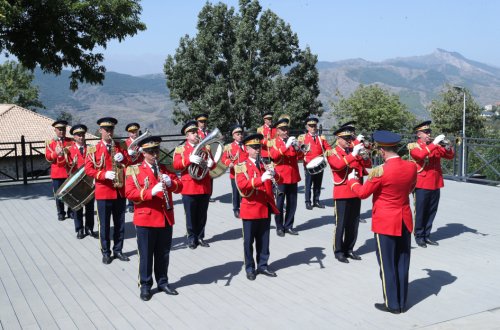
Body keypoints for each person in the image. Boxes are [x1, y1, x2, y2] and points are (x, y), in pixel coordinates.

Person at [347, 130, 417, 314]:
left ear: (383, 151)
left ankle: (392, 304)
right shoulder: (411, 167)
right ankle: (402, 301)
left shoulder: (380, 171)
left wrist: (352, 182)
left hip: (386, 222)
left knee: (387, 265)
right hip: (404, 219)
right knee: (402, 262)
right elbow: (411, 188)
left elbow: (362, 193)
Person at [125, 136, 183, 301]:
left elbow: (180, 186)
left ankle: (163, 282)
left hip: (165, 217)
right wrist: (150, 192)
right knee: (146, 254)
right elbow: (129, 193)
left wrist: (171, 182)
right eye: (151, 152)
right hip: (146, 219)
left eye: (156, 151)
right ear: (143, 153)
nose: (155, 155)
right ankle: (145, 285)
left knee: (163, 254)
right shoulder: (134, 170)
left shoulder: (164, 169)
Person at [85, 117, 131, 265]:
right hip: (104, 191)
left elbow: (129, 163)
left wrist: (124, 158)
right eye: (106, 130)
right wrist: (103, 174)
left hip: (119, 191)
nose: (109, 132)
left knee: (120, 223)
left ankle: (118, 250)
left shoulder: (120, 146)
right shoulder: (93, 149)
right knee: (104, 225)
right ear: (100, 131)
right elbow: (88, 169)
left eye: (111, 129)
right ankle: (106, 252)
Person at [235, 133, 281, 280]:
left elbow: (278, 178)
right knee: (248, 242)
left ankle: (263, 265)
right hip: (250, 208)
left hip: (264, 206)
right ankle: (250, 268)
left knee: (264, 240)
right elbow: (242, 186)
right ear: (247, 149)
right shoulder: (240, 166)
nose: (257, 150)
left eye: (258, 147)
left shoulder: (264, 163)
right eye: (254, 147)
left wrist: (274, 173)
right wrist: (260, 179)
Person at [326, 124, 371, 263]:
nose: (348, 140)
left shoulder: (354, 150)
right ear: (338, 139)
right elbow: (338, 166)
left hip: (356, 190)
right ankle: (339, 251)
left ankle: (349, 249)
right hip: (342, 192)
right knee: (341, 224)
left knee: (353, 224)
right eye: (345, 138)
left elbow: (367, 164)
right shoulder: (332, 152)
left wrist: (363, 154)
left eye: (350, 138)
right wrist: (353, 154)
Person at [408, 121, 455, 248]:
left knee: (431, 211)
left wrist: (448, 147)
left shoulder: (433, 145)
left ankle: (427, 235)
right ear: (419, 134)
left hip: (435, 183)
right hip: (421, 184)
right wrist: (434, 143)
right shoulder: (414, 146)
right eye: (426, 132)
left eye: (429, 132)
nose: (429, 134)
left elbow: (449, 156)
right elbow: (420, 155)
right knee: (421, 211)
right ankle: (419, 236)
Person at [173, 120, 216, 249]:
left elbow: (213, 164)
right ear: (187, 136)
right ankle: (191, 238)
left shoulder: (205, 148)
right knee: (191, 215)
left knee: (202, 214)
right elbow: (175, 165)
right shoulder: (180, 149)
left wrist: (210, 163)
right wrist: (188, 159)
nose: (196, 134)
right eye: (192, 133)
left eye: (196, 132)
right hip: (189, 187)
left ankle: (200, 237)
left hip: (204, 186)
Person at [269, 117, 303, 237]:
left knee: (292, 203)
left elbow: (299, 156)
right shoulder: (273, 143)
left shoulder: (292, 141)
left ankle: (289, 226)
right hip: (280, 177)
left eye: (287, 129)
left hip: (293, 176)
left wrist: (298, 148)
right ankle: (279, 227)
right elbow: (275, 156)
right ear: (277, 131)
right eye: (282, 129)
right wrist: (286, 146)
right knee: (279, 203)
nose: (285, 132)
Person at [68, 124, 97, 239]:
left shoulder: (91, 148)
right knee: (77, 207)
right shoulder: (69, 150)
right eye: (78, 135)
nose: (81, 137)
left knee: (90, 207)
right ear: (74, 137)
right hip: (76, 182)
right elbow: (64, 165)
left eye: (82, 135)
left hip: (89, 181)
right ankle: (79, 229)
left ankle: (89, 228)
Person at [298, 117, 331, 210]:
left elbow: (328, 148)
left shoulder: (321, 138)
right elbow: (299, 149)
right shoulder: (303, 138)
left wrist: (328, 152)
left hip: (319, 163)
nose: (313, 128)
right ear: (307, 127)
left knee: (318, 183)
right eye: (311, 126)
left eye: (314, 126)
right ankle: (307, 202)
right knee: (308, 184)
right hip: (308, 164)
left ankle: (316, 200)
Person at [45, 120, 72, 221]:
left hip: (69, 172)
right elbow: (48, 157)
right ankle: (61, 213)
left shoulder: (71, 141)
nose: (62, 131)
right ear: (55, 130)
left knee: (70, 193)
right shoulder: (50, 142)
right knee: (58, 194)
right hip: (57, 173)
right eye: (59, 129)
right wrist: (56, 154)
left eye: (63, 129)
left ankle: (70, 211)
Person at [221, 124, 247, 218]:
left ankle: (245, 207)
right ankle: (236, 209)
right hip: (235, 174)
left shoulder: (246, 145)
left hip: (246, 174)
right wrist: (229, 163)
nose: (240, 136)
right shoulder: (229, 147)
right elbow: (224, 158)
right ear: (233, 136)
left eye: (241, 134)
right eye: (237, 134)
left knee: (245, 191)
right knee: (236, 192)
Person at [195, 113, 216, 203]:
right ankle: (201, 193)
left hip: (209, 156)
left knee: (210, 176)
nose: (203, 123)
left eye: (204, 121)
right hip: (201, 156)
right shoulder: (196, 133)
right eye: (201, 122)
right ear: (197, 123)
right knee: (201, 175)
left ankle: (209, 194)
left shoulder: (208, 133)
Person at [124, 122, 144, 213]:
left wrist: (143, 150)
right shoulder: (125, 143)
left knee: (140, 183)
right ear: (129, 133)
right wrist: (127, 153)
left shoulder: (141, 142)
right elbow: (122, 155)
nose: (134, 133)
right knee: (130, 185)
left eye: (135, 131)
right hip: (130, 167)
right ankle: (131, 204)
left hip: (140, 165)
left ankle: (140, 199)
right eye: (132, 132)